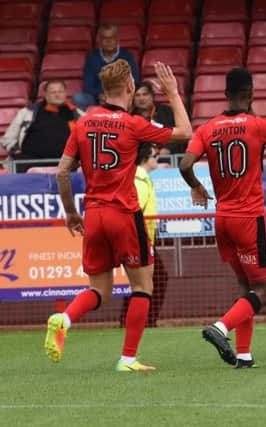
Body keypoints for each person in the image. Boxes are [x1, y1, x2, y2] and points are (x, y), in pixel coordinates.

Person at [45, 59, 192, 372]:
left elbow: (61, 173)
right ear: (129, 87)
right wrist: (173, 93)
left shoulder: (83, 123)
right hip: (124, 212)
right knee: (142, 286)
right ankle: (127, 358)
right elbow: (185, 132)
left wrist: (71, 213)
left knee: (99, 289)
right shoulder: (134, 124)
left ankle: (65, 318)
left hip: (93, 214)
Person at [179, 68, 266, 368]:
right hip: (249, 218)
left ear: (225, 94)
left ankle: (245, 356)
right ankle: (220, 327)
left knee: (245, 286)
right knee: (265, 289)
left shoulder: (206, 128)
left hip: (222, 218)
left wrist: (197, 186)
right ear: (250, 94)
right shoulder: (257, 125)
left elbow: (185, 163)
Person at [119, 143, 168, 328]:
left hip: (143, 238)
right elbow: (134, 209)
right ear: (145, 158)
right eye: (155, 156)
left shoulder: (141, 177)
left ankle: (134, 320)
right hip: (139, 239)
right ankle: (144, 321)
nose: (157, 159)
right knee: (149, 281)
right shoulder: (139, 179)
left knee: (141, 282)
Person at [1, 80, 84, 172]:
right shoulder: (27, 113)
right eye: (53, 92)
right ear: (45, 94)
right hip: (29, 164)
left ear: (65, 93)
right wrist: (15, 150)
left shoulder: (78, 114)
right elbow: (7, 139)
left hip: (69, 164)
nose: (57, 95)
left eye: (60, 92)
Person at [73, 23, 140, 110]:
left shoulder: (127, 56)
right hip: (98, 97)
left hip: (120, 97)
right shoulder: (92, 57)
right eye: (105, 38)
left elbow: (134, 81)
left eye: (112, 38)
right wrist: (100, 95)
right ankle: (87, 122)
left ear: (117, 39)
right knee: (78, 98)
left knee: (139, 97)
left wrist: (114, 96)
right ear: (100, 40)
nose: (109, 41)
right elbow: (88, 86)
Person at [131, 82, 179, 155]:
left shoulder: (166, 111)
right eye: (137, 95)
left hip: (167, 156)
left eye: (145, 94)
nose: (141, 98)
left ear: (152, 96)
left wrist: (167, 149)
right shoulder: (131, 117)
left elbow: (178, 132)